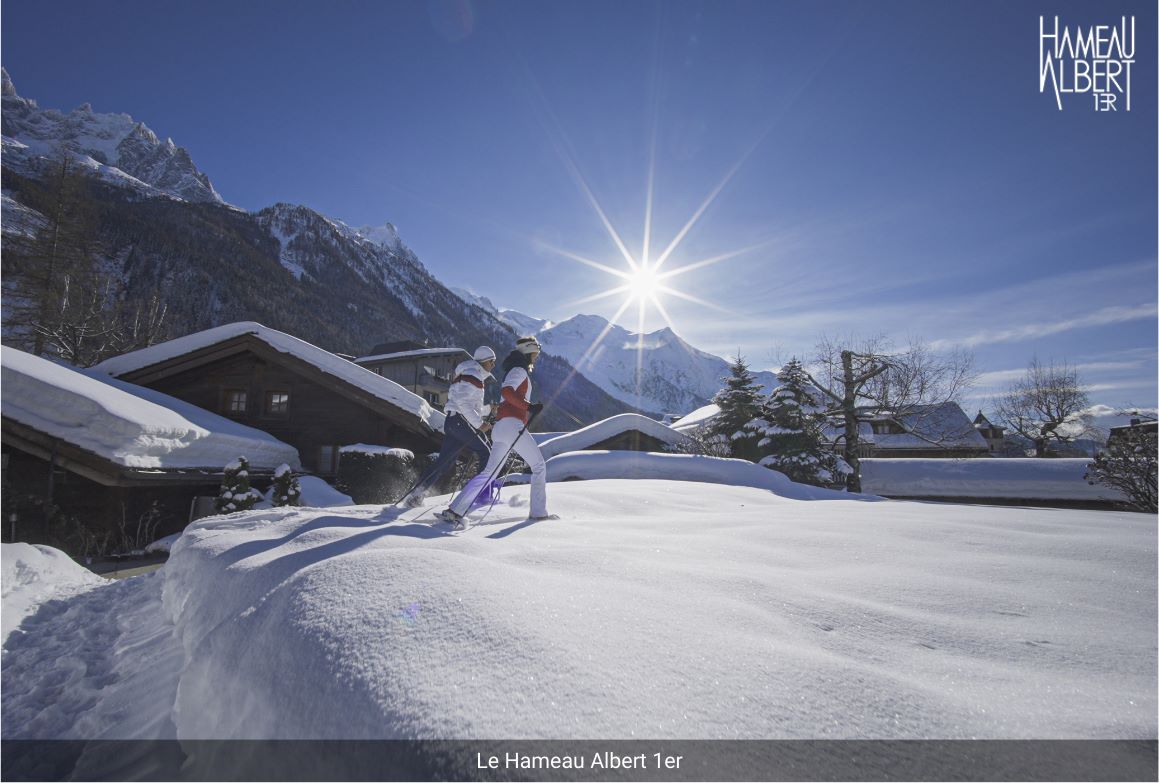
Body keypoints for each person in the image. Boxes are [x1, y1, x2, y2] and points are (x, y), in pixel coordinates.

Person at [438, 336, 552, 528]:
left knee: (489, 473)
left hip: (501, 427)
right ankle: (538, 514)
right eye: (536, 353)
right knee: (539, 465)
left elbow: (507, 394)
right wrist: (529, 407)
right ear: (528, 352)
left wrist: (525, 408)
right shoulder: (519, 370)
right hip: (511, 425)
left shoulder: (515, 369)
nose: (537, 357)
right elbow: (507, 392)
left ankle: (455, 510)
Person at [401, 346, 497, 507]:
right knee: (485, 451)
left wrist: (488, 410)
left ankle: (416, 494)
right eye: (492, 362)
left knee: (444, 462)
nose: (493, 365)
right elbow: (463, 404)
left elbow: (467, 405)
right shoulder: (473, 375)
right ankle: (481, 496)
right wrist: (480, 425)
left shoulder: (467, 374)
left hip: (453, 422)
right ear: (484, 361)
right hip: (460, 421)